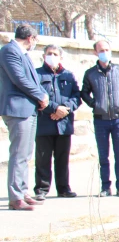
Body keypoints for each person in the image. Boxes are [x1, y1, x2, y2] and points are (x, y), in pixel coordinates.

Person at [0, 24, 48, 211]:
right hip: (16, 108)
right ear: (30, 38)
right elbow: (19, 79)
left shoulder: (23, 55)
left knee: (26, 153)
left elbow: (33, 80)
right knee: (19, 153)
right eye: (35, 40)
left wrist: (43, 96)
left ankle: (23, 190)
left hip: (29, 109)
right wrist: (40, 95)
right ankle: (15, 196)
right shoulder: (9, 51)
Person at [81, 40, 119, 197]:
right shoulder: (90, 73)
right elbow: (84, 92)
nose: (104, 52)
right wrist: (94, 104)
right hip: (100, 120)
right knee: (103, 156)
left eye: (107, 49)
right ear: (95, 53)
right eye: (101, 50)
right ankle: (105, 187)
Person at [33, 45, 81, 200]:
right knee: (42, 158)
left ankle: (63, 188)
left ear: (61, 57)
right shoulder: (37, 74)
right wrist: (54, 109)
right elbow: (36, 95)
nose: (52, 56)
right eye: (49, 53)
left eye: (55, 54)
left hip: (63, 124)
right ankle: (41, 189)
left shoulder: (68, 75)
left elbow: (76, 97)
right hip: (44, 123)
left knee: (63, 158)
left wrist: (65, 109)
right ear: (44, 56)